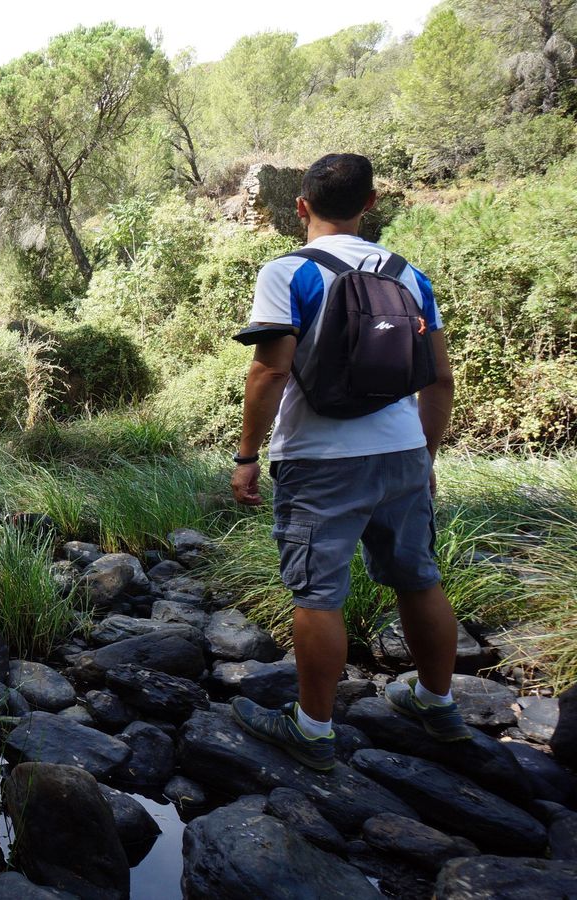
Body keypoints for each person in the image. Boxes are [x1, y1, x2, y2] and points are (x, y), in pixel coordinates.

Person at [227, 153, 467, 771]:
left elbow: (270, 370)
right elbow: (439, 379)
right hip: (403, 453)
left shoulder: (288, 272)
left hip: (320, 461)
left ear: (301, 206)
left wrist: (247, 455)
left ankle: (312, 730)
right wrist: (426, 455)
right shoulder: (408, 276)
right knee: (418, 576)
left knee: (318, 594)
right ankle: (436, 702)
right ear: (370, 207)